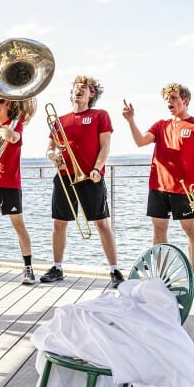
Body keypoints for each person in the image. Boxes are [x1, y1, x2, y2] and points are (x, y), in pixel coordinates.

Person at [122, 84, 194, 297]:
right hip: (158, 186)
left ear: (185, 100)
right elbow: (140, 142)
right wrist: (131, 120)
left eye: (173, 98)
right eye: (167, 99)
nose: (169, 102)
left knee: (191, 230)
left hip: (185, 189)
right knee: (159, 229)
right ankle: (160, 277)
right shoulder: (160, 125)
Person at [40, 76, 124, 287]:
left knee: (102, 223)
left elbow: (105, 147)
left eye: (84, 88)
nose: (78, 90)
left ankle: (115, 271)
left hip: (90, 176)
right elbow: (50, 148)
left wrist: (97, 169)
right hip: (64, 176)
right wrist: (52, 155)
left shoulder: (100, 115)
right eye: (76, 87)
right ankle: (57, 267)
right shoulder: (59, 120)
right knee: (59, 223)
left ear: (92, 93)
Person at [0, 96, 36, 285]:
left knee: (18, 225)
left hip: (10, 183)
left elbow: (12, 138)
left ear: (10, 104)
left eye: (1, 101)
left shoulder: (15, 123)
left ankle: (28, 268)